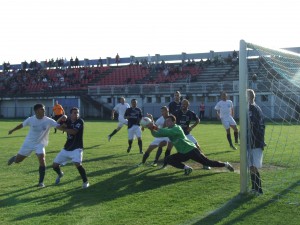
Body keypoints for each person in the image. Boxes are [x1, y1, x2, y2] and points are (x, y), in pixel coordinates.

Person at [146, 115, 234, 175]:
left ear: (174, 121)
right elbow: (157, 134)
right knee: (169, 159)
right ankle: (187, 168)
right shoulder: (168, 129)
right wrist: (151, 129)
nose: (167, 123)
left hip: (191, 150)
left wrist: (153, 126)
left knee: (207, 162)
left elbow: (164, 131)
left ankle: (226, 164)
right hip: (182, 153)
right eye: (166, 121)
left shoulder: (177, 128)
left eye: (168, 121)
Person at [7, 103, 61, 188]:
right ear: (36, 111)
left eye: (44, 109)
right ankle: (15, 158)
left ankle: (41, 182)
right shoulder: (30, 119)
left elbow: (58, 126)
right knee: (18, 161)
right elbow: (21, 125)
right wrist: (12, 130)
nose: (44, 110)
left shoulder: (48, 120)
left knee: (42, 159)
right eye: (42, 109)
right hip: (28, 143)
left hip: (40, 144)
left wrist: (64, 122)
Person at [52, 107, 90, 189]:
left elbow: (74, 132)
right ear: (70, 114)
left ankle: (85, 182)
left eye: (77, 113)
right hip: (67, 147)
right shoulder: (68, 120)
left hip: (77, 147)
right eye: (74, 113)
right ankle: (60, 174)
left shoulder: (80, 121)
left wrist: (64, 128)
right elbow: (55, 125)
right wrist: (61, 118)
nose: (76, 114)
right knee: (54, 165)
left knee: (78, 164)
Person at [173, 99, 211, 170]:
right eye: (182, 104)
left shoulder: (190, 113)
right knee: (180, 151)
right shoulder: (177, 112)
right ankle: (181, 165)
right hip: (179, 136)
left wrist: (192, 127)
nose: (183, 105)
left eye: (184, 104)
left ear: (187, 105)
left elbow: (198, 120)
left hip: (187, 134)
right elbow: (171, 120)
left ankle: (205, 164)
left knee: (197, 147)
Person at [247, 89, 265, 195]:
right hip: (251, 141)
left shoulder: (253, 108)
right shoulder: (251, 108)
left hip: (255, 142)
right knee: (251, 166)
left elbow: (254, 125)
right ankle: (254, 188)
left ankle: (259, 189)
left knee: (253, 166)